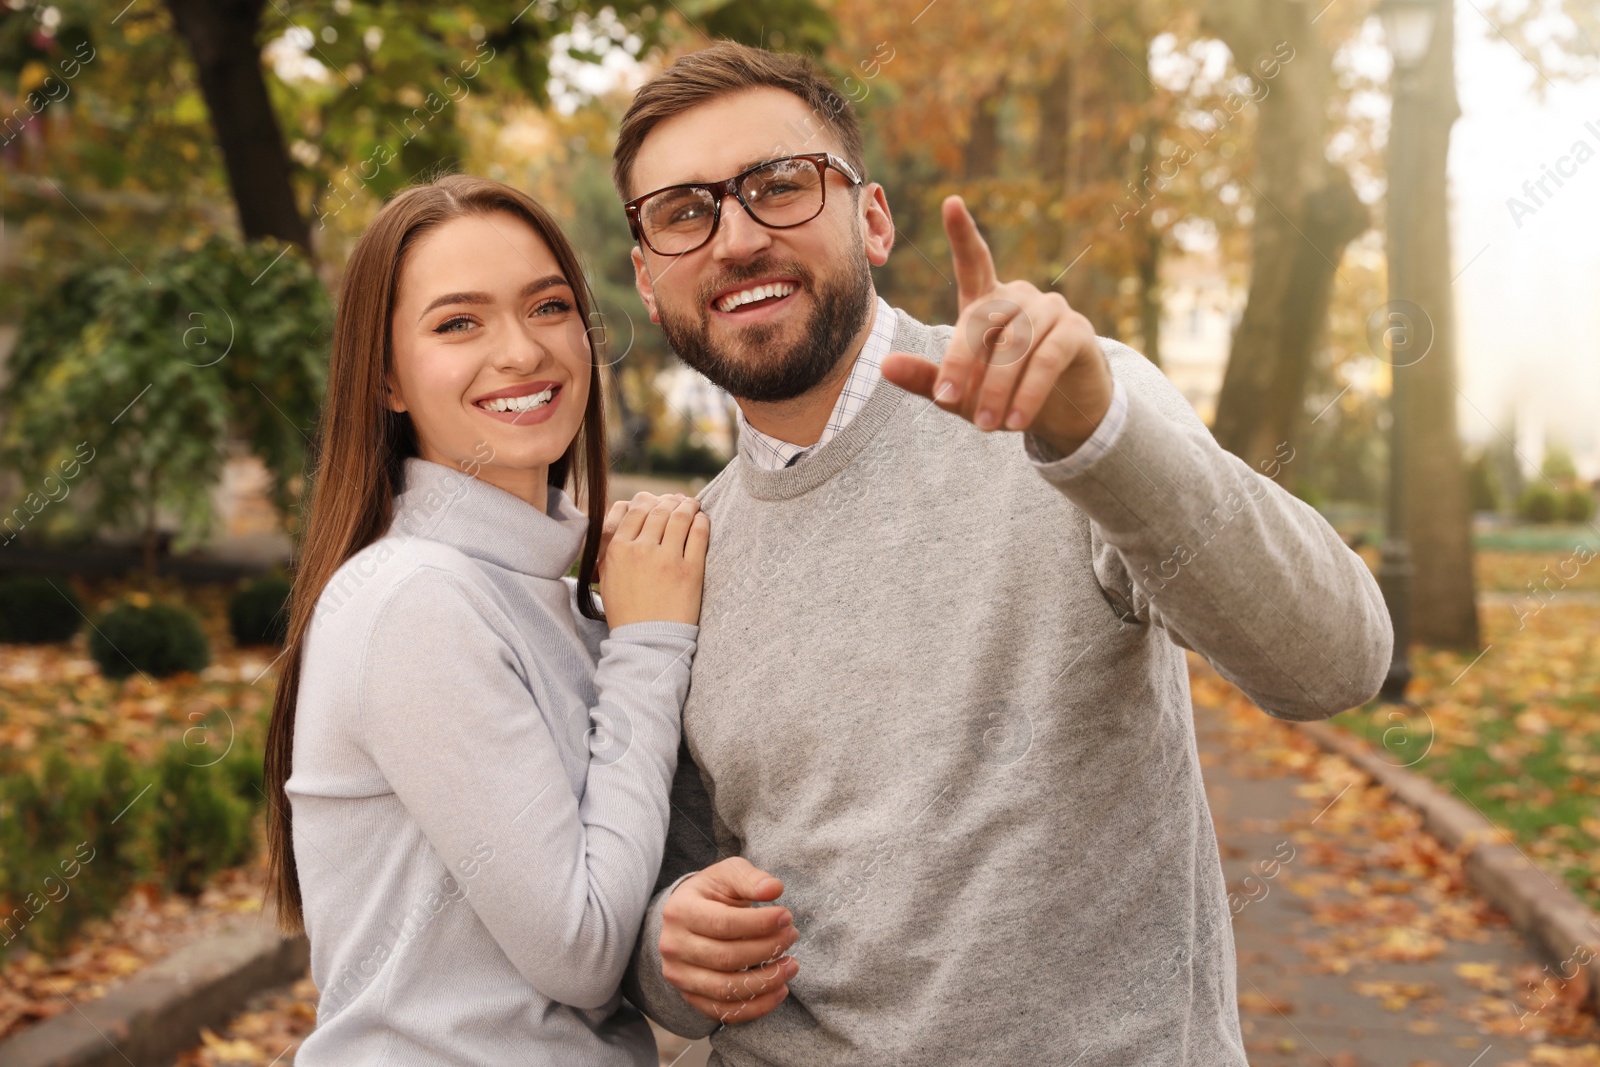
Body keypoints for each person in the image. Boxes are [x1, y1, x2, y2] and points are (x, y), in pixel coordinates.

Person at [612, 43, 1394, 1065]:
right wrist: (671, 943)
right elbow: (654, 901)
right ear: (646, 272)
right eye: (684, 212)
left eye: (779, 185)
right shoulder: (683, 555)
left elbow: (1334, 661)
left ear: (873, 219)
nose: (737, 236)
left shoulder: (1069, 406)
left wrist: (1095, 437)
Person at [262, 174, 710, 1065]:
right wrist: (650, 643)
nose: (520, 352)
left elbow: (623, 888)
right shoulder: (413, 600)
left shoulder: (548, 592)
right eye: (458, 322)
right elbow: (582, 951)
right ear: (386, 376)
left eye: (548, 306)